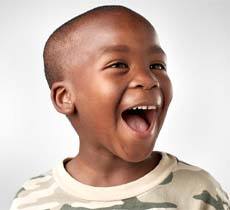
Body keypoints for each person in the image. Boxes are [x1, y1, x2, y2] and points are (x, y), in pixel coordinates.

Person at [9, 5, 229, 210]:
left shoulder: (200, 192)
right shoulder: (31, 200)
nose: (148, 79)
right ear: (65, 97)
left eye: (157, 65)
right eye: (118, 65)